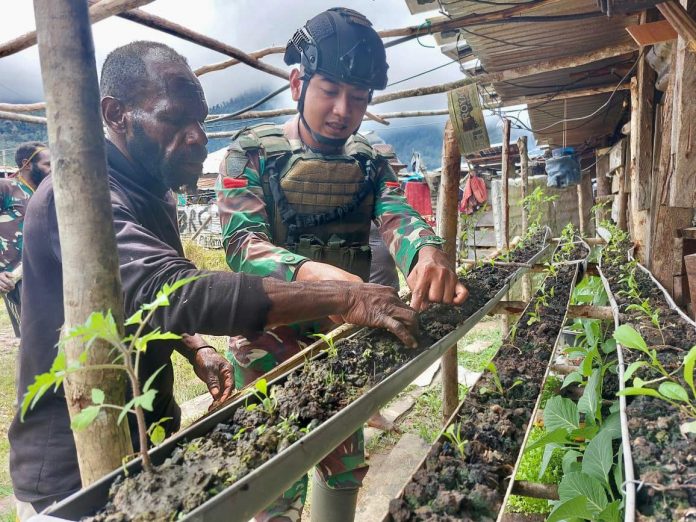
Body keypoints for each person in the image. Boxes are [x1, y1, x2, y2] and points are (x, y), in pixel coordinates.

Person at [8, 41, 418, 520]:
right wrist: (345, 295)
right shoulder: (76, 198)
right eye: (177, 119)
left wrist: (197, 348)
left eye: (199, 121)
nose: (198, 136)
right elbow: (173, 288)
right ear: (116, 114)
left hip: (145, 438)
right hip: (74, 468)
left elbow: (139, 299)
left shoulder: (151, 191)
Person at [217, 8, 467, 521]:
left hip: (343, 339)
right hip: (267, 341)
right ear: (296, 83)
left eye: (358, 97)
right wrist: (328, 283)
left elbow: (398, 215)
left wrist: (426, 252)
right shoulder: (249, 155)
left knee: (344, 465)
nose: (341, 109)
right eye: (329, 89)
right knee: (267, 476)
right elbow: (244, 244)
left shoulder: (371, 161)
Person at [0, 142, 51, 337]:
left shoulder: (43, 193)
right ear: (27, 164)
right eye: (47, 164)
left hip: (42, 272)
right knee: (36, 337)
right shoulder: (7, 187)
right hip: (16, 279)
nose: (53, 169)